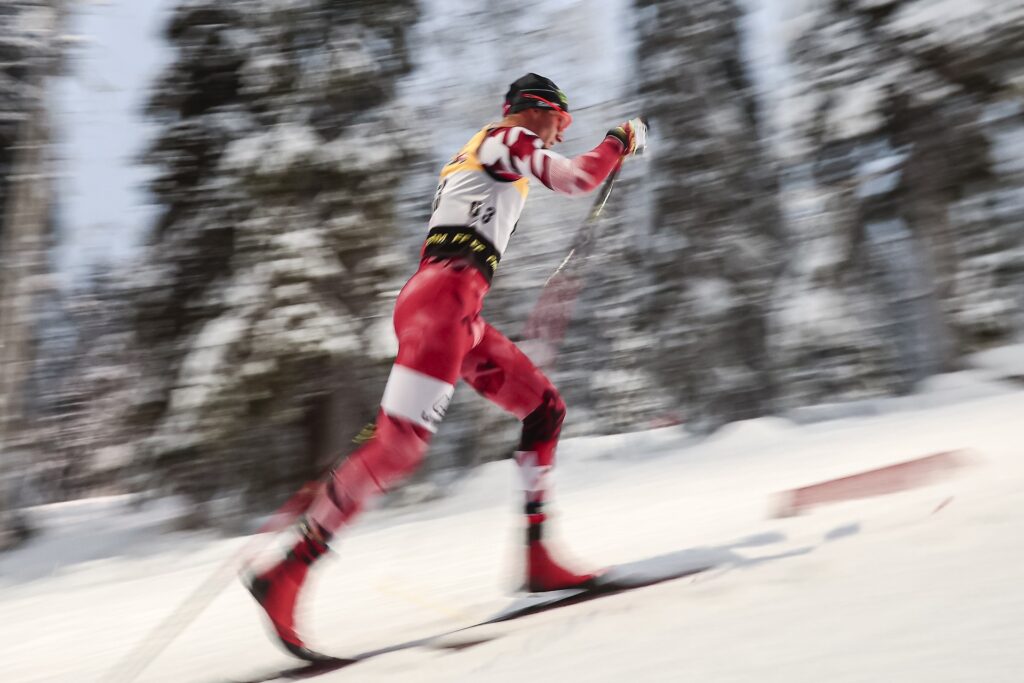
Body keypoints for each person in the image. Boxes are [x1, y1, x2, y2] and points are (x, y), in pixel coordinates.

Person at [246, 73, 648, 659]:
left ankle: (538, 557)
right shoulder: (503, 138)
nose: (564, 132)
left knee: (545, 409)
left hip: (456, 307)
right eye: (562, 121)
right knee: (399, 446)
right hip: (443, 300)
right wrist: (619, 138)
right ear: (537, 110)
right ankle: (286, 573)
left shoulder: (495, 149)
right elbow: (579, 177)